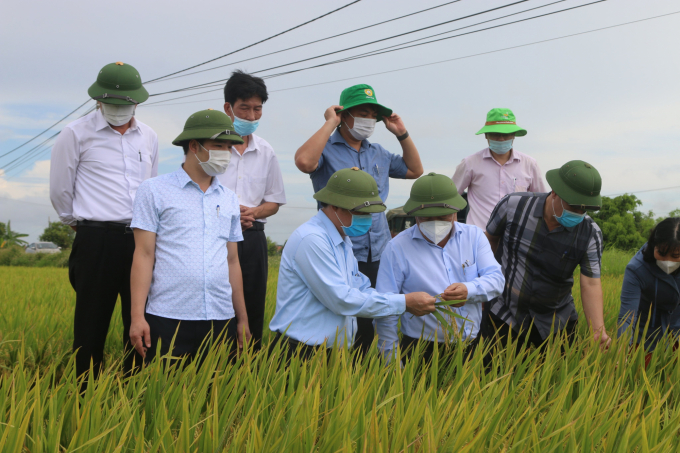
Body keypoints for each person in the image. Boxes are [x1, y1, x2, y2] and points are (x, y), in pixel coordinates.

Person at [294, 84, 424, 354]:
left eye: (372, 115)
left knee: (373, 319)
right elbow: (305, 162)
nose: (369, 120)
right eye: (362, 113)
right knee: (341, 314)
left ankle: (365, 371)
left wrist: (402, 133)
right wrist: (330, 123)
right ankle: (339, 369)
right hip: (341, 249)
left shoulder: (379, 153)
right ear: (344, 114)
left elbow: (415, 170)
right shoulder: (326, 150)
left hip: (378, 251)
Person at [49, 62, 158, 378]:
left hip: (140, 239)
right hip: (95, 237)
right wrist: (81, 225)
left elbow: (150, 188)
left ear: (136, 101)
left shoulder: (147, 137)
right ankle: (84, 397)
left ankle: (132, 389)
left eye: (125, 104)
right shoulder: (76, 133)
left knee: (138, 320)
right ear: (98, 100)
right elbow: (60, 190)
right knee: (90, 323)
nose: (118, 110)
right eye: (112, 103)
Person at [269, 167, 436, 361]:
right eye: (360, 211)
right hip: (300, 353)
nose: (366, 218)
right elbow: (341, 299)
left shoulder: (342, 240)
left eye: (369, 213)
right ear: (335, 206)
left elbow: (361, 287)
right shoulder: (312, 240)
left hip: (330, 353)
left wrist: (403, 298)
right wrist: (404, 303)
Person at [129, 109, 251, 364]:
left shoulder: (228, 198)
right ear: (194, 146)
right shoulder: (154, 190)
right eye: (219, 145)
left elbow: (232, 261)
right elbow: (143, 254)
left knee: (216, 396)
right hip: (168, 315)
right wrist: (137, 317)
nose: (225, 153)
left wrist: (242, 319)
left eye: (229, 147)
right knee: (162, 395)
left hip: (220, 316)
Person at [375, 173, 504, 364]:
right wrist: (391, 364)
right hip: (420, 349)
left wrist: (469, 290)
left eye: (443, 216)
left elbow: (496, 279)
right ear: (415, 214)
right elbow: (385, 307)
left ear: (455, 211)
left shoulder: (474, 236)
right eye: (427, 218)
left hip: (471, 345)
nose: (435, 223)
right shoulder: (397, 248)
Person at [484, 160, 611, 355]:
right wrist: (483, 286)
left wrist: (598, 329)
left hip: (555, 320)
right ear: (555, 193)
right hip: (504, 312)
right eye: (573, 206)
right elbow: (490, 241)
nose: (577, 214)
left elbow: (591, 283)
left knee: (557, 381)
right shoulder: (513, 206)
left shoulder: (589, 233)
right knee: (492, 376)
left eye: (583, 210)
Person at [219, 70, 286, 350]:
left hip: (252, 238)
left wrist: (253, 213)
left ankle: (247, 369)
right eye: (244, 108)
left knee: (253, 303)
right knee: (218, 305)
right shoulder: (212, 146)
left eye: (257, 109)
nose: (250, 116)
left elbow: (274, 202)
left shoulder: (266, 151)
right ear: (228, 108)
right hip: (216, 237)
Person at [452, 108, 545, 229]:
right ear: (486, 136)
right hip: (480, 235)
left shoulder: (529, 164)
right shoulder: (470, 163)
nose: (501, 139)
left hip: (516, 236)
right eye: (496, 134)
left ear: (514, 136)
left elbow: (541, 201)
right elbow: (451, 196)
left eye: (506, 135)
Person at [618, 217, 680, 360]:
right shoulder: (637, 269)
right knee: (642, 375)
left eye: (675, 256)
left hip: (677, 326)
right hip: (647, 332)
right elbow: (627, 317)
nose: (667, 261)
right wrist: (621, 351)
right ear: (653, 245)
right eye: (661, 253)